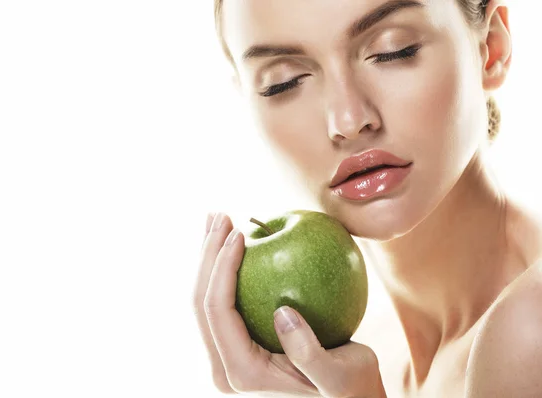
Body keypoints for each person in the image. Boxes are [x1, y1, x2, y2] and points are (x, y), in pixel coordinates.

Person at [193, 0, 542, 396]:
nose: (348, 121)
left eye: (393, 50)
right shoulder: (349, 357)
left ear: (491, 48)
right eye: (283, 82)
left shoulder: (531, 331)